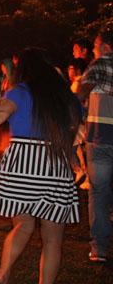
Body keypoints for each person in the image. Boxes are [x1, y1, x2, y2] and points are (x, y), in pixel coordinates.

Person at [0, 48, 81, 284]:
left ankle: (2, 273)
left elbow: (0, 113)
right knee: (52, 240)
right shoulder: (67, 97)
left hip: (22, 167)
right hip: (55, 165)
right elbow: (73, 130)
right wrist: (72, 157)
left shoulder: (19, 92)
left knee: (23, 225)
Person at [77, 31, 113, 263]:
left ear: (107, 47)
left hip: (101, 136)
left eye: (97, 46)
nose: (94, 51)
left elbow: (80, 91)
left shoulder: (102, 64)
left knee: (98, 191)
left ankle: (99, 249)